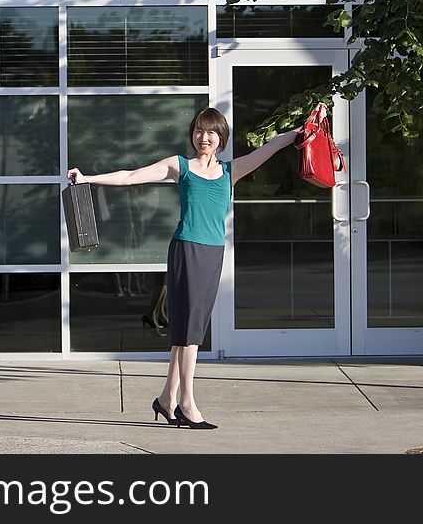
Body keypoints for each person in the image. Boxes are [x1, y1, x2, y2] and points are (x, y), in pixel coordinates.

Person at [67, 107, 299, 430]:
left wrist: (302, 132)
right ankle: (187, 403)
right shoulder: (181, 167)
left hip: (213, 254)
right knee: (189, 333)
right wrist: (88, 178)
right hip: (186, 250)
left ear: (221, 138)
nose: (204, 138)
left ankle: (166, 399)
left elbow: (269, 148)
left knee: (187, 332)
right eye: (199, 131)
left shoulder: (230, 171)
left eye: (211, 133)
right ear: (193, 134)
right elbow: (131, 176)